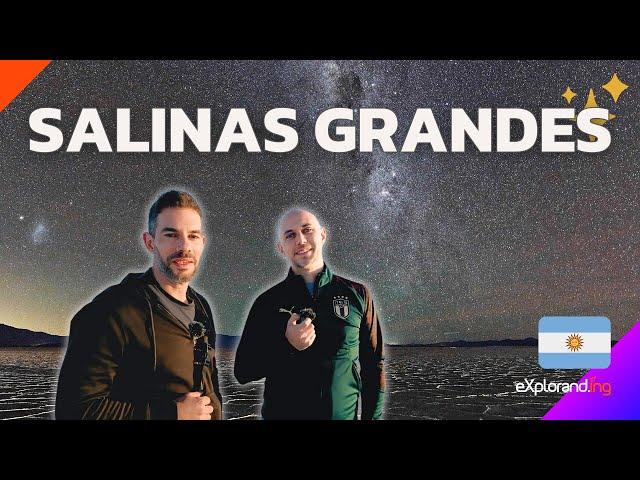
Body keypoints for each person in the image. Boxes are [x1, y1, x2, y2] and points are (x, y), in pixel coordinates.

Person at [55, 190, 222, 420]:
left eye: (193, 236)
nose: (184, 246)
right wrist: (172, 414)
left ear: (202, 243)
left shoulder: (202, 308)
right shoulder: (111, 310)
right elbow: (75, 410)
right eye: (171, 235)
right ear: (149, 242)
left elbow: (210, 384)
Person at [234, 208, 385, 419]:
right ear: (281, 247)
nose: (301, 240)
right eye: (290, 235)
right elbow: (243, 371)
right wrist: (287, 346)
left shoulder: (358, 294)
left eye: (307, 230)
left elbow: (373, 366)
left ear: (322, 235)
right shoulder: (267, 302)